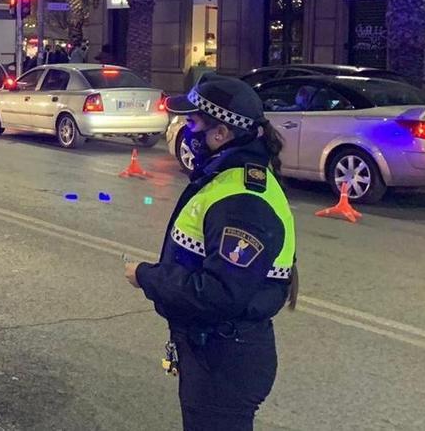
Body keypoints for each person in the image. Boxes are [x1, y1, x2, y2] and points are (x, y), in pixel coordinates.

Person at [124, 74, 298, 431]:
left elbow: (221, 293)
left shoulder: (242, 200)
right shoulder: (225, 178)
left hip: (226, 359)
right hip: (215, 349)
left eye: (192, 122)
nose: (185, 130)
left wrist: (147, 276)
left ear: (220, 134)